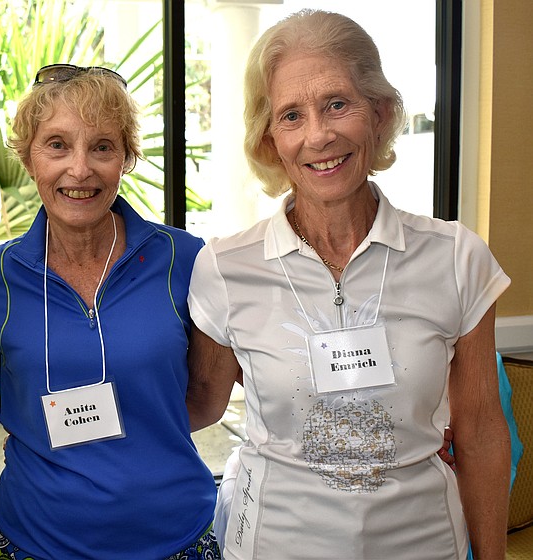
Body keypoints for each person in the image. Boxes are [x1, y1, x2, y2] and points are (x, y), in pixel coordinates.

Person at [185, 9, 511, 560]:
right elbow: (196, 407)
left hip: (425, 545)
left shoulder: (457, 258)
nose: (319, 135)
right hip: (272, 545)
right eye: (291, 115)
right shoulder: (225, 268)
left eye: (338, 104)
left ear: (379, 113)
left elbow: (480, 432)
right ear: (270, 139)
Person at [0, 64, 220, 559]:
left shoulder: (186, 260)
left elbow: (206, 397)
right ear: (28, 158)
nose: (80, 169)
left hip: (174, 539)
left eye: (102, 147)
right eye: (57, 145)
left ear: (126, 158)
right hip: (31, 544)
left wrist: (137, 435)